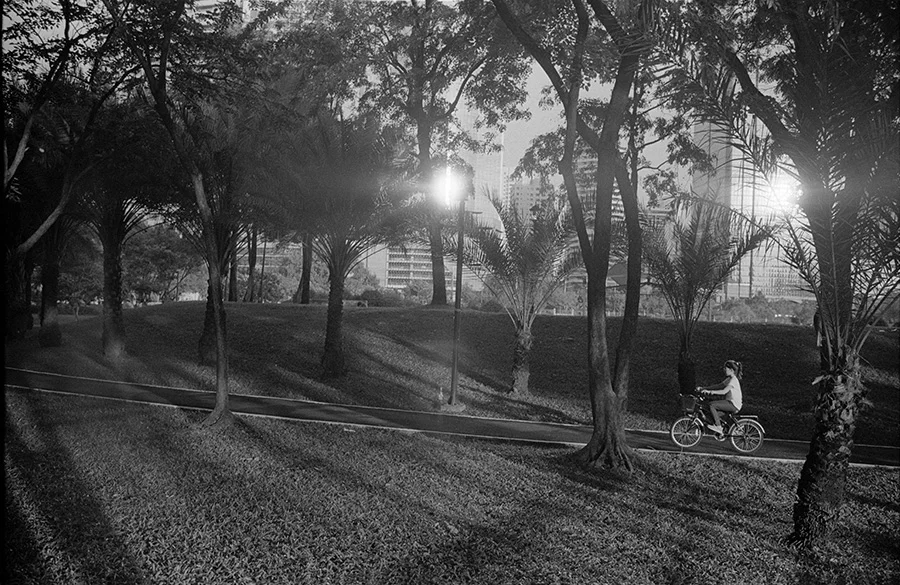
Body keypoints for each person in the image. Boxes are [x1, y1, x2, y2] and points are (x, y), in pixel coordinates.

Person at [698, 360, 743, 440]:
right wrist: (704, 388)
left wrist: (711, 392)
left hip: (733, 404)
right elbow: (719, 386)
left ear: (731, 370)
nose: (724, 370)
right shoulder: (729, 379)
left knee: (712, 405)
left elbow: (723, 391)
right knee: (713, 414)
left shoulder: (733, 380)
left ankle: (719, 427)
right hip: (730, 403)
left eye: (725, 368)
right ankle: (722, 430)